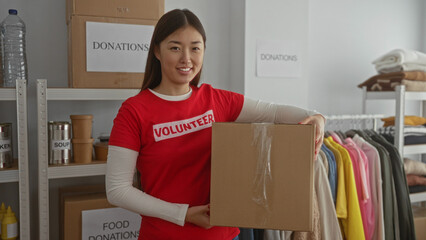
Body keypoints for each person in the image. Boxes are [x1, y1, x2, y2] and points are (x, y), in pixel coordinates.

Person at [106, 8, 325, 240]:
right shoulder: (134, 111)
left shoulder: (216, 100)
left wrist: (317, 117)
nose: (186, 58)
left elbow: (273, 111)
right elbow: (117, 190)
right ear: (157, 52)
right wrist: (184, 214)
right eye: (175, 47)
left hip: (222, 235)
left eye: (195, 48)